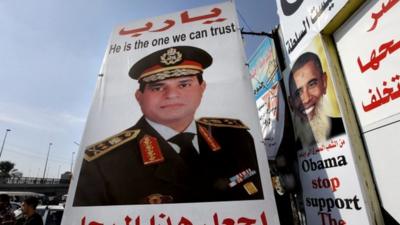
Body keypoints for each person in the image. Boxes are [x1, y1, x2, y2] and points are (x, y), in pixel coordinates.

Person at [73, 46, 264, 206]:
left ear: (202, 88)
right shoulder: (104, 163)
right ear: (139, 97)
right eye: (157, 87)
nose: (171, 95)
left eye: (184, 84)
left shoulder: (236, 138)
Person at [288, 52, 345, 148]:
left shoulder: (343, 127)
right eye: (298, 93)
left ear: (324, 82)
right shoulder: (292, 149)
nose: (306, 99)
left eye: (312, 84)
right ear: (291, 103)